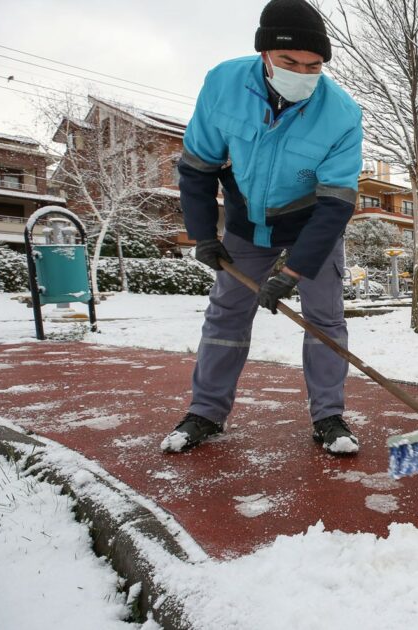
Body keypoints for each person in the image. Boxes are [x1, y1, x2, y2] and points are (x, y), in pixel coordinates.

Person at [161, 0, 363, 455]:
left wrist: (294, 273)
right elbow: (197, 167)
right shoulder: (223, 85)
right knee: (226, 316)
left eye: (313, 65)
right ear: (265, 54)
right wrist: (204, 236)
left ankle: (329, 416)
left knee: (325, 318)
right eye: (289, 62)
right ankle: (205, 412)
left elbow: (336, 205)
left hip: (313, 223)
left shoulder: (342, 114)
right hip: (248, 222)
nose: (302, 73)